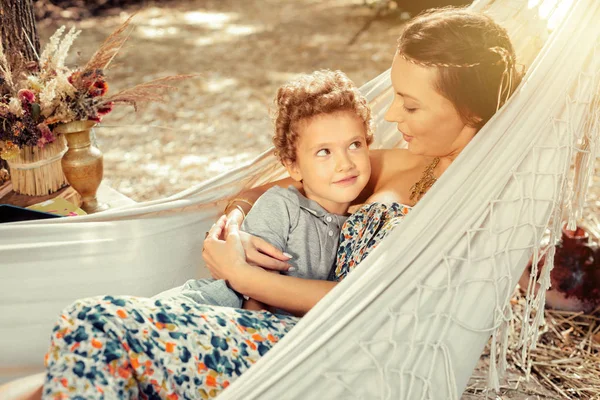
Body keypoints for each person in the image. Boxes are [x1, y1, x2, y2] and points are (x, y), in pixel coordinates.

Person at [39, 8, 522, 399]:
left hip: (330, 357)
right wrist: (235, 219)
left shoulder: (482, 204)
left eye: (410, 105)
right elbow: (286, 176)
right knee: (86, 348)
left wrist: (246, 277)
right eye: (395, 97)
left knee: (94, 323)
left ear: (472, 111)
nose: (393, 114)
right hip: (276, 330)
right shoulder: (398, 163)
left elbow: (388, 302)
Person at [155, 69, 372, 312]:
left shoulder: (359, 229)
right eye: (324, 152)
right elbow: (252, 295)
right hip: (212, 312)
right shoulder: (282, 205)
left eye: (355, 145)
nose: (345, 164)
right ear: (294, 166)